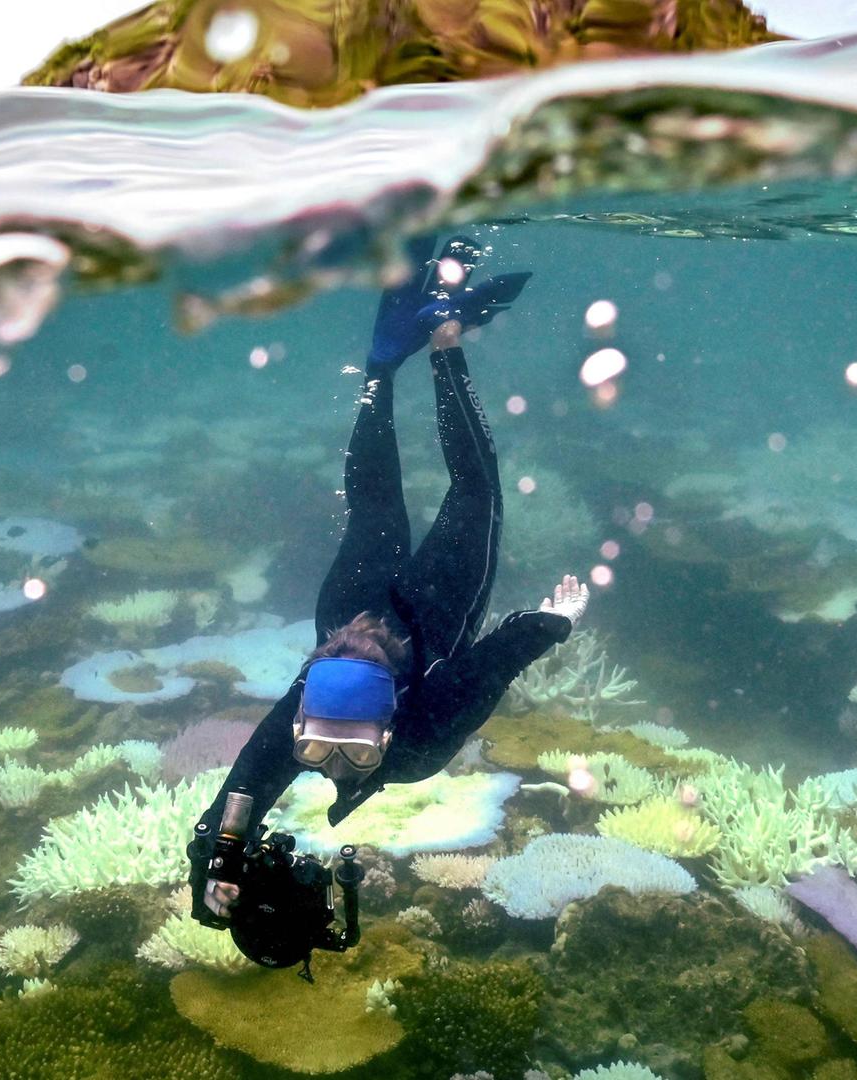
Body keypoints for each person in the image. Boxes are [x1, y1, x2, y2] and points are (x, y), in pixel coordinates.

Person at [189, 236, 590, 926]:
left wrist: (559, 620)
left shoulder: (425, 731)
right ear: (305, 708)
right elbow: (238, 799)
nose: (331, 765)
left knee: (474, 495)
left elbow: (506, 650)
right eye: (319, 747)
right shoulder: (329, 723)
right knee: (395, 504)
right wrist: (218, 864)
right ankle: (389, 363)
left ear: (391, 724)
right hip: (383, 610)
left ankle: (440, 340)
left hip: (417, 611)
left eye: (326, 749)